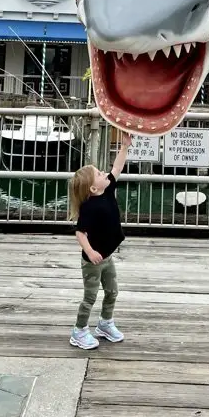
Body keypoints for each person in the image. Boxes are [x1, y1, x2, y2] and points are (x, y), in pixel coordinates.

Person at [67, 132, 129, 349]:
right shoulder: (89, 208)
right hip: (93, 261)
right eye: (100, 174)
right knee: (90, 297)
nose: (105, 174)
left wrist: (124, 147)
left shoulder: (108, 189)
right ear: (93, 188)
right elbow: (80, 233)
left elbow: (117, 169)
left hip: (108, 256)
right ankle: (79, 330)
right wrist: (90, 252)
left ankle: (105, 323)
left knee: (112, 291)